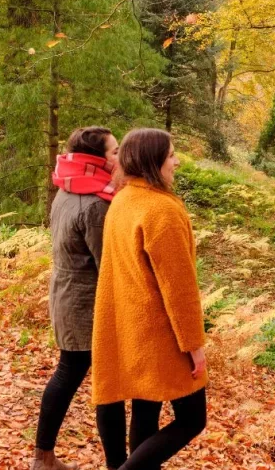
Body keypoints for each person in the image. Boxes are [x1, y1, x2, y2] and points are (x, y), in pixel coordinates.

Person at [91, 128, 208, 470]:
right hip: (162, 333)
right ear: (153, 161)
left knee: (146, 409)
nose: (177, 161)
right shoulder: (162, 210)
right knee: (192, 419)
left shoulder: (123, 201)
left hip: (130, 326)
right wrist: (194, 345)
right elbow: (180, 288)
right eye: (171, 155)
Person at [32, 126, 121, 470]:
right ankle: (115, 464)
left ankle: (44, 456)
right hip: (87, 304)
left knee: (72, 372)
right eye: (114, 152)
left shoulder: (68, 188)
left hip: (66, 294)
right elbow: (107, 265)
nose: (119, 157)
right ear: (96, 159)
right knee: (100, 382)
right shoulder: (95, 204)